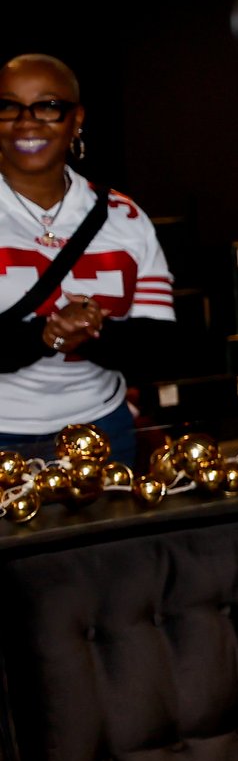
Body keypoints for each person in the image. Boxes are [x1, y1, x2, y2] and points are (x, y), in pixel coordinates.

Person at [0, 54, 175, 464]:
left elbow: (160, 348)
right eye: (8, 106)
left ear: (76, 119)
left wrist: (96, 332)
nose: (27, 122)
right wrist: (45, 336)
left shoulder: (125, 216)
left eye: (47, 106)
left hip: (103, 430)